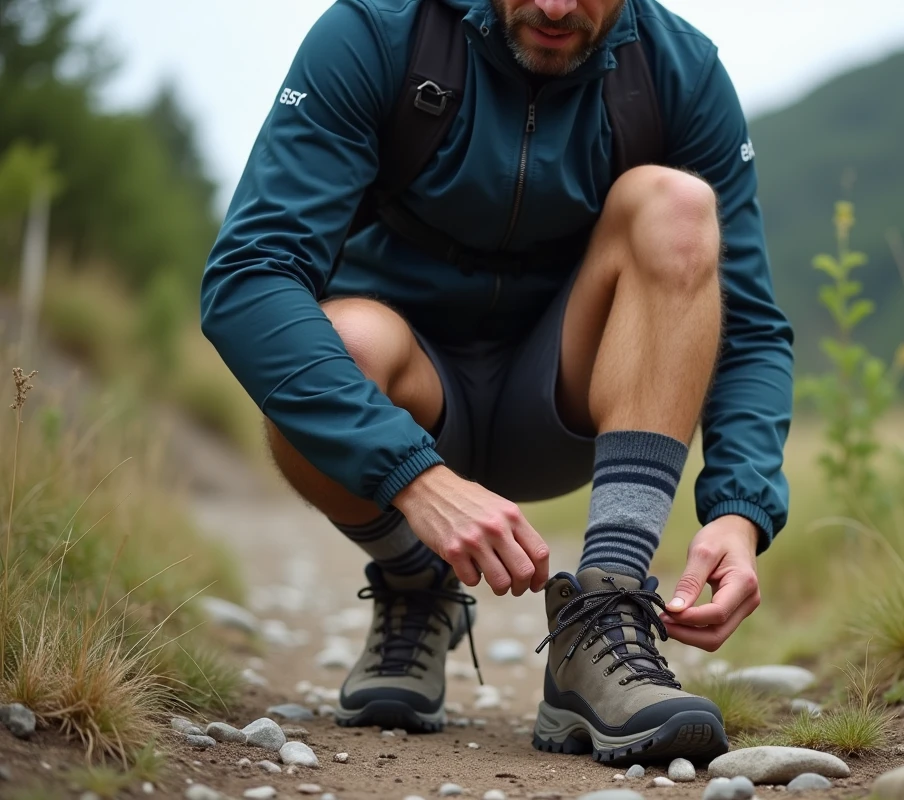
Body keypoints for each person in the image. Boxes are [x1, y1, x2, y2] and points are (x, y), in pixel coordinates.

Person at [201, 0, 794, 764]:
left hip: (564, 400)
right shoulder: (377, 34)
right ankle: (416, 584)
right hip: (406, 399)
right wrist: (414, 476)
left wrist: (741, 511)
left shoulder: (679, 70)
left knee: (678, 204)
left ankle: (602, 620)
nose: (554, 7)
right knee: (338, 340)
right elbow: (250, 277)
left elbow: (747, 324)